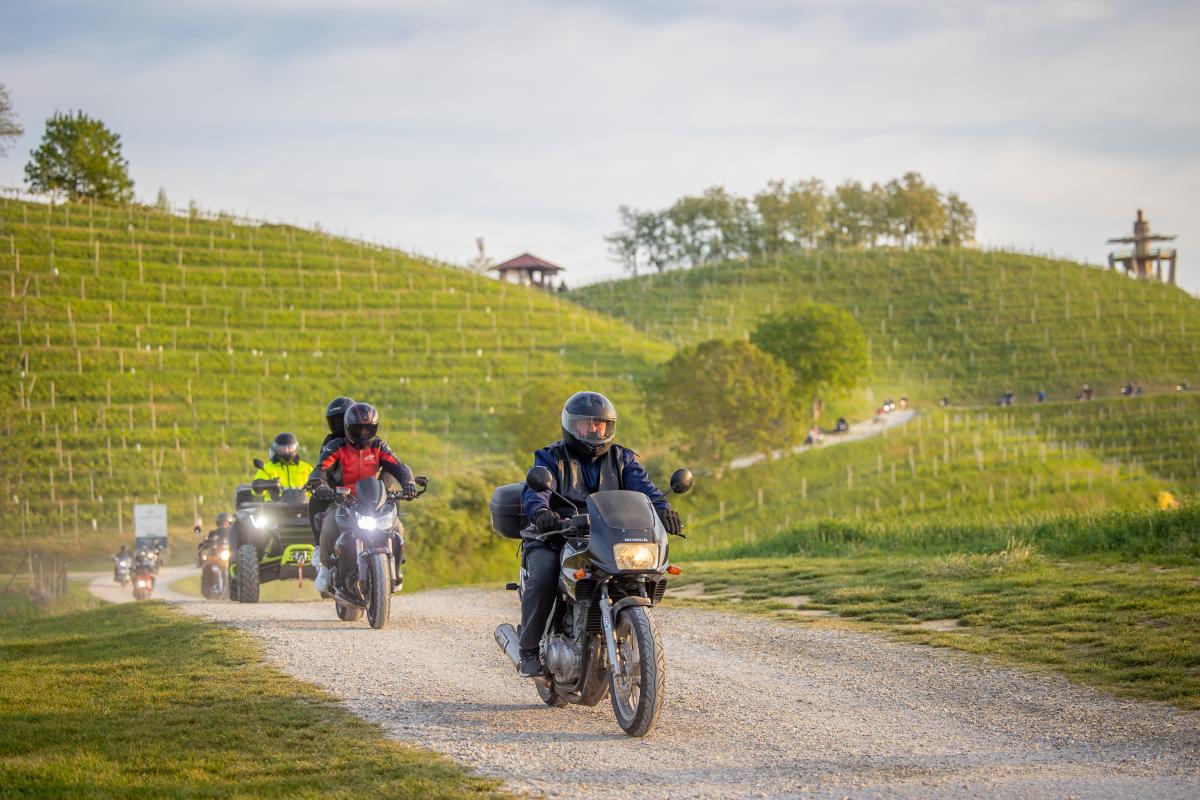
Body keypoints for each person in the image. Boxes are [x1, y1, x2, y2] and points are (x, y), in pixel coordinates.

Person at [517, 391, 680, 678]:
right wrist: (542, 514)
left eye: (600, 424)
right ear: (571, 426)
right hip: (557, 535)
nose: (594, 430)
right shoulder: (551, 457)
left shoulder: (623, 459)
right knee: (543, 576)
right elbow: (535, 493)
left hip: (605, 536)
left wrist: (663, 510)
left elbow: (645, 490)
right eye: (587, 424)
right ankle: (528, 650)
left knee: (640, 571)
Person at [305, 402, 417, 593]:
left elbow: (399, 466)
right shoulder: (336, 446)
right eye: (358, 429)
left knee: (397, 527)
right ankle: (325, 568)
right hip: (344, 500)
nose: (364, 433)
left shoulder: (379, 446)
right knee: (329, 525)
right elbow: (321, 469)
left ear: (375, 428)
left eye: (368, 429)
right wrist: (318, 483)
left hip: (374, 501)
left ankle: (396, 568)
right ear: (348, 428)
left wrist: (409, 483)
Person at [254, 432, 314, 499]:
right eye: (282, 449)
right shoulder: (266, 469)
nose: (286, 451)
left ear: (296, 448)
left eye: (290, 448)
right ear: (275, 449)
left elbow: (317, 487)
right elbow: (254, 490)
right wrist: (267, 484)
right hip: (273, 504)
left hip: (304, 504)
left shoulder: (307, 468)